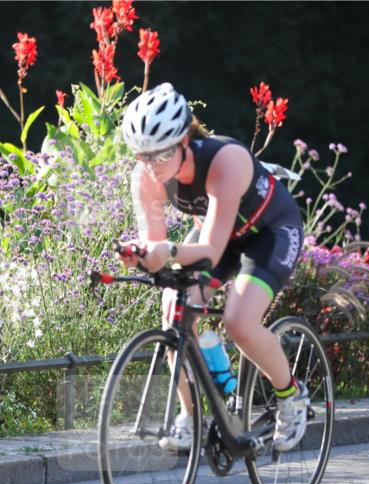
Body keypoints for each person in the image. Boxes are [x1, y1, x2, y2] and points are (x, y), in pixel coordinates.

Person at [117, 82, 308, 454]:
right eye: (142, 156)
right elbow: (157, 246)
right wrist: (142, 254)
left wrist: (167, 250)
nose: (151, 166)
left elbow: (210, 250)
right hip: (217, 235)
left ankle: (291, 394)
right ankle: (190, 416)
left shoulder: (225, 160)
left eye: (160, 154)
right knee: (173, 310)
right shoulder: (145, 177)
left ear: (184, 141)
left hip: (269, 233)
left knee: (239, 322)